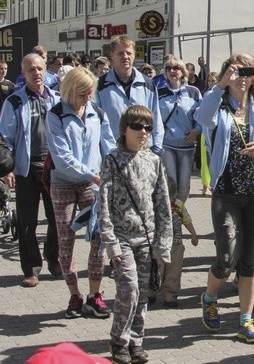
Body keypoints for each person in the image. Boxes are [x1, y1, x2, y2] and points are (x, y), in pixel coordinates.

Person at [195, 53, 254, 344]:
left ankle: (245, 320)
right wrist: (221, 84)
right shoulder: (217, 106)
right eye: (236, 72)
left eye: (247, 72)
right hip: (226, 193)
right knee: (225, 258)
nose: (242, 78)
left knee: (251, 260)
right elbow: (201, 117)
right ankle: (209, 297)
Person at [98, 105, 173, 364]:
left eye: (148, 127)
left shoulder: (154, 160)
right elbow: (104, 203)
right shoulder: (113, 160)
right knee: (128, 288)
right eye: (137, 127)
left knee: (143, 291)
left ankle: (136, 341)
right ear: (124, 129)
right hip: (122, 237)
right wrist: (110, 242)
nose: (143, 132)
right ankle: (118, 339)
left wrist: (163, 242)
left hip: (147, 238)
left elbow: (163, 203)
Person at [45, 67, 116, 318]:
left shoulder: (97, 112)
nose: (88, 97)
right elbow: (62, 158)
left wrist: (113, 169)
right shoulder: (55, 115)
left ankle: (95, 295)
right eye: (83, 93)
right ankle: (74, 295)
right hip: (63, 182)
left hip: (92, 183)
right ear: (70, 90)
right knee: (66, 239)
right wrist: (92, 174)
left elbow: (108, 145)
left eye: (90, 92)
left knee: (98, 239)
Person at [0, 53, 61, 288]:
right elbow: (5, 137)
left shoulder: (56, 99)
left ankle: (53, 257)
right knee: (27, 223)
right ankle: (32, 268)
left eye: (39, 68)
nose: (36, 73)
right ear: (23, 74)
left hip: (53, 169)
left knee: (57, 219)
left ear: (45, 70)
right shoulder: (14, 102)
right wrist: (7, 169)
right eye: (30, 70)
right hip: (26, 170)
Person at [94, 36, 164, 156]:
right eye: (120, 53)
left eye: (128, 53)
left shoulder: (147, 84)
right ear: (112, 55)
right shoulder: (99, 85)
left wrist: (156, 147)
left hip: (143, 151)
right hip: (112, 152)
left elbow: (156, 117)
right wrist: (107, 153)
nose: (125, 57)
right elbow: (96, 123)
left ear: (134, 55)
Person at [157, 57, 202, 204]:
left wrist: (196, 130)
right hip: (167, 144)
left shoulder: (193, 92)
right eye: (168, 68)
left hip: (187, 145)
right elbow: (154, 117)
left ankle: (179, 211)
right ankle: (170, 217)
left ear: (182, 72)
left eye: (175, 68)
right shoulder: (159, 92)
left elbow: (201, 116)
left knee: (184, 187)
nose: (172, 71)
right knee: (171, 183)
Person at [159, 176, 199, 308]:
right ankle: (150, 292)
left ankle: (170, 296)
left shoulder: (178, 205)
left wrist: (193, 234)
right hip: (156, 246)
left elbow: (186, 220)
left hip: (175, 245)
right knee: (155, 270)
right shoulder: (153, 205)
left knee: (174, 272)